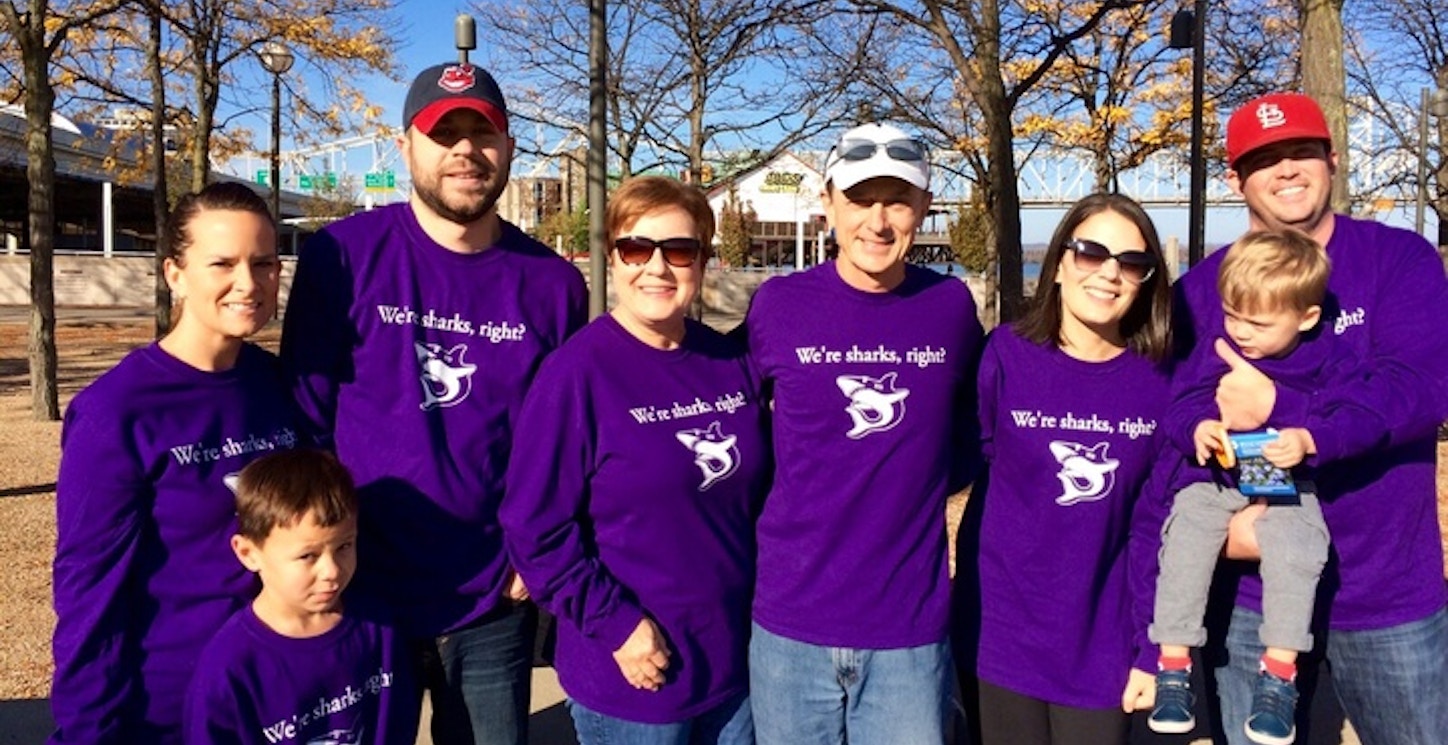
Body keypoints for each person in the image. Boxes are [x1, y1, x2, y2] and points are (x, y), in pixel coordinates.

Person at [280, 61, 588, 745]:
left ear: (508, 148)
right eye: (442, 132)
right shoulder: (342, 255)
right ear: (405, 146)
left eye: (482, 132)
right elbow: (304, 422)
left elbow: (559, 446)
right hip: (358, 589)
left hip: (490, 599)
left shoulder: (554, 286)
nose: (465, 150)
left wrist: (529, 560)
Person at [1171, 91, 1448, 745]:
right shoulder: (1199, 291)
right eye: (1265, 159)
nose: (1287, 170)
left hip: (1384, 595)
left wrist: (1283, 411)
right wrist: (1221, 525)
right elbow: (1177, 422)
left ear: (1331, 159)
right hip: (1251, 598)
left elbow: (1418, 392)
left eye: (1302, 151)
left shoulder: (1397, 261)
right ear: (1236, 180)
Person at [500, 175, 769, 744]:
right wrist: (617, 627)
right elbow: (535, 528)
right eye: (635, 248)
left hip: (736, 666)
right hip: (636, 671)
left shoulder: (729, 361)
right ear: (611, 257)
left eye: (678, 249)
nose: (657, 267)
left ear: (702, 259)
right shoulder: (576, 374)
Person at [742, 122, 984, 744]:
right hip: (792, 624)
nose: (878, 221)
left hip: (908, 626)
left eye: (898, 200)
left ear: (924, 208)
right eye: (859, 198)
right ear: (827, 203)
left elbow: (970, 433)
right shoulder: (778, 306)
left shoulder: (950, 308)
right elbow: (738, 428)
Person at [49, 182, 300, 745]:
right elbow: (89, 591)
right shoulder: (115, 412)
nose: (248, 283)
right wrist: (87, 728)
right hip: (168, 704)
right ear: (174, 273)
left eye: (263, 263)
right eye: (222, 263)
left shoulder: (276, 384)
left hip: (274, 686)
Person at [1149, 230, 1384, 745]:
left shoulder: (1330, 359)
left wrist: (1305, 434)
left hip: (1286, 482)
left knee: (1299, 545)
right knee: (1186, 534)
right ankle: (1173, 664)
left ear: (1306, 317)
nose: (1241, 333)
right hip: (1216, 477)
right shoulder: (1220, 347)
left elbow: (1353, 413)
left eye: (1257, 322)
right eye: (1233, 316)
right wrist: (1197, 428)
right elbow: (1182, 403)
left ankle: (1278, 676)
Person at [954, 193, 1173, 745]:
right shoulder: (1004, 356)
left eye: (1131, 262)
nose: (1109, 273)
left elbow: (1156, 532)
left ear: (1147, 280)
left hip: (1102, 649)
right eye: (1091, 253)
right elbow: (947, 464)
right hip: (997, 639)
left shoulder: (1160, 385)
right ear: (1058, 265)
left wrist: (1152, 650)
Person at [183, 449, 419, 744]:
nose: (331, 570)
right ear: (248, 553)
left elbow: (399, 723)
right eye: (308, 555)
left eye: (344, 546)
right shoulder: (229, 666)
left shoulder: (378, 629)